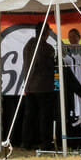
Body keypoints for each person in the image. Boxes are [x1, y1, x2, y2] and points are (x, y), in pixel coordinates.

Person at [21, 21, 57, 150]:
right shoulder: (47, 48)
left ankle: (26, 142)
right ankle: (45, 143)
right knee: (44, 117)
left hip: (30, 86)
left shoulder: (28, 45)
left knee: (29, 116)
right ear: (46, 32)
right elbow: (51, 66)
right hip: (44, 87)